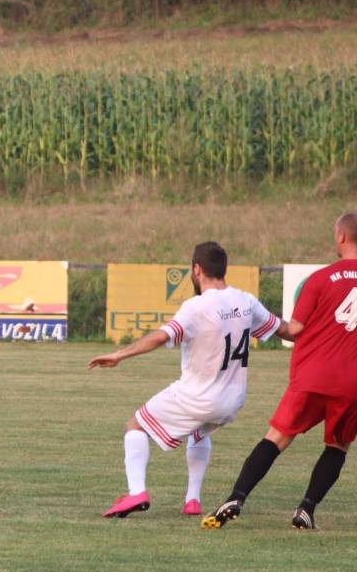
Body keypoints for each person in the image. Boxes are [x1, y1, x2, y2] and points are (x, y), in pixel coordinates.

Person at [89, 242, 290, 518]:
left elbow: (161, 336)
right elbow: (287, 330)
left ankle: (137, 492)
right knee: (198, 432)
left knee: (136, 425)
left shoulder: (196, 306)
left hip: (198, 398)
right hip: (232, 401)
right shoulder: (245, 301)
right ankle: (192, 499)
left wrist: (119, 355)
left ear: (197, 270)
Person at [203, 212, 357, 530]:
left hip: (313, 376)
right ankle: (306, 509)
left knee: (277, 438)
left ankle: (236, 498)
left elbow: (295, 329)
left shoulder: (320, 279)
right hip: (352, 384)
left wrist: (261, 322)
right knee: (337, 446)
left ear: (341, 236)